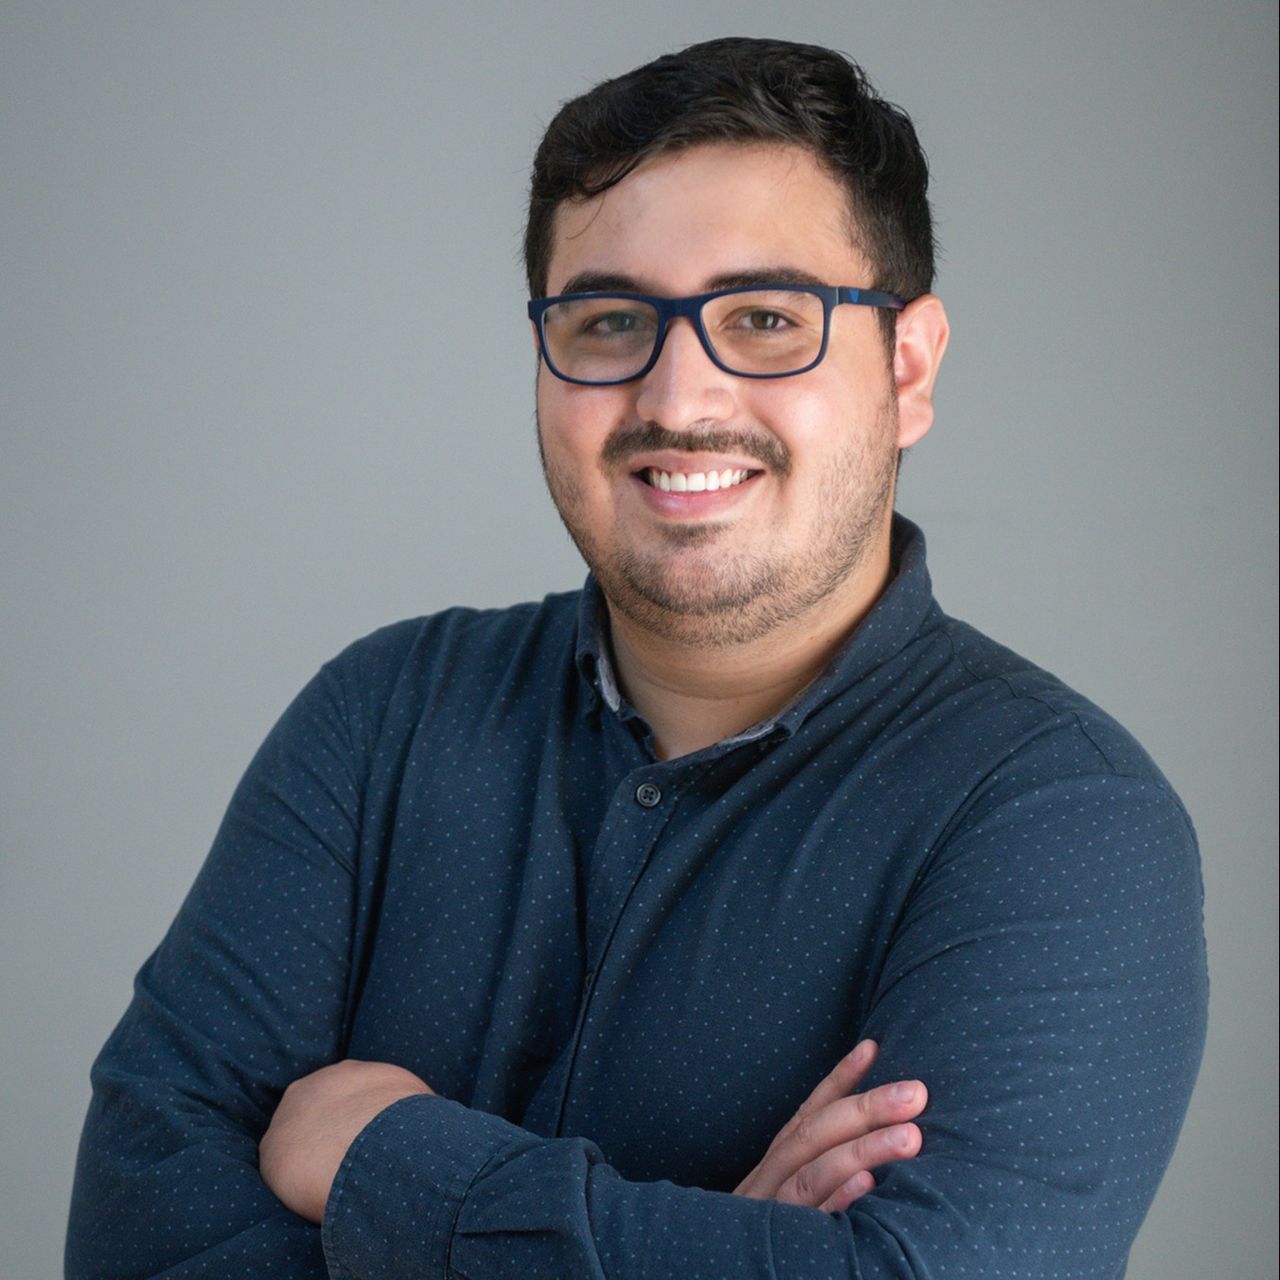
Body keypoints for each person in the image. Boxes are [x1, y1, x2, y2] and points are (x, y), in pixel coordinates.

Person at [66, 36, 1208, 1279]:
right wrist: (723, 1246)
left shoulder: (1057, 815)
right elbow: (137, 1239)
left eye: (764, 318)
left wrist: (390, 1161)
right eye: (610, 321)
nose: (677, 396)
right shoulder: (378, 718)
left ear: (907, 365)